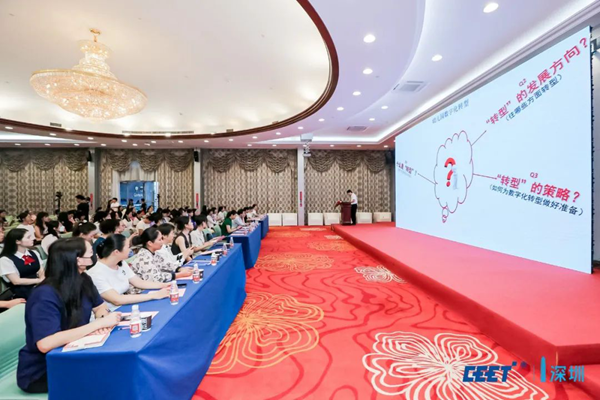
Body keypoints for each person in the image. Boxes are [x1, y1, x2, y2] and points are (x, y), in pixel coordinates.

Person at [16, 237, 120, 394]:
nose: (93, 254)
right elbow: (46, 343)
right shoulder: (44, 295)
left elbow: (100, 307)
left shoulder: (83, 279)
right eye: (90, 252)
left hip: (77, 352)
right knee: (110, 378)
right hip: (44, 370)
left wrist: (102, 319)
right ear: (78, 260)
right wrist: (97, 325)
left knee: (117, 368)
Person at [87, 234, 170, 311]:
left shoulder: (121, 263)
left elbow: (139, 282)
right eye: (128, 247)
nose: (130, 250)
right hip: (111, 312)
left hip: (125, 306)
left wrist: (164, 285)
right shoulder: (95, 274)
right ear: (116, 252)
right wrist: (154, 295)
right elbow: (117, 300)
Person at [0, 229, 44, 299]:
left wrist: (42, 279)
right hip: (21, 292)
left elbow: (41, 270)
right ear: (17, 241)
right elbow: (16, 281)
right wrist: (38, 280)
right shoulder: (5, 260)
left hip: (37, 286)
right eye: (28, 237)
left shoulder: (34, 253)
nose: (32, 238)